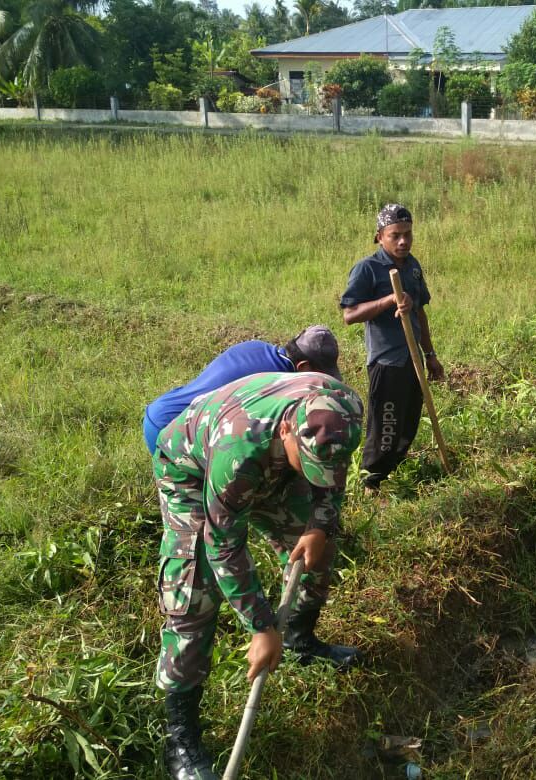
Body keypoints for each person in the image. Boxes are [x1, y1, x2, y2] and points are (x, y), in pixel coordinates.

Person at [154, 372, 363, 780]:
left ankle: (302, 641)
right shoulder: (238, 450)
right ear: (287, 429)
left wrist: (319, 525)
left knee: (318, 558)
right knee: (194, 595)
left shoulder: (340, 410)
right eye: (310, 464)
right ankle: (179, 739)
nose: (320, 474)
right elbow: (223, 546)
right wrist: (262, 627)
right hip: (193, 472)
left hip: (277, 466)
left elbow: (331, 474)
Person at [340, 204, 444, 492]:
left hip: (414, 359)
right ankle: (370, 481)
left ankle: (394, 473)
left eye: (407, 234)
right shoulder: (368, 269)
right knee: (385, 425)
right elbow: (349, 315)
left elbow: (420, 312)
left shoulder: (412, 266)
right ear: (379, 237)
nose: (403, 241)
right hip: (387, 362)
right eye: (395, 235)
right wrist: (387, 301)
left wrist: (431, 355)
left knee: (408, 422)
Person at [143, 326, 342, 455]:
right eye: (319, 374)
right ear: (303, 366)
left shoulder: (256, 346)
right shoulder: (276, 383)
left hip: (162, 408)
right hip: (174, 427)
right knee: (204, 501)